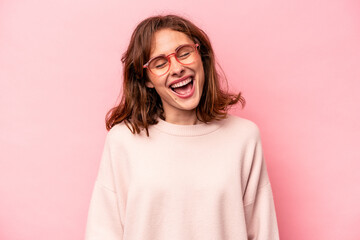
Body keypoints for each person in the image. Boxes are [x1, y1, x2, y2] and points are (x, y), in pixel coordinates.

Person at [85, 14, 279, 240]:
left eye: (184, 53)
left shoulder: (244, 137)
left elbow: (263, 232)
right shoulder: (124, 140)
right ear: (147, 79)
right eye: (160, 63)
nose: (176, 68)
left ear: (200, 55)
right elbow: (103, 232)